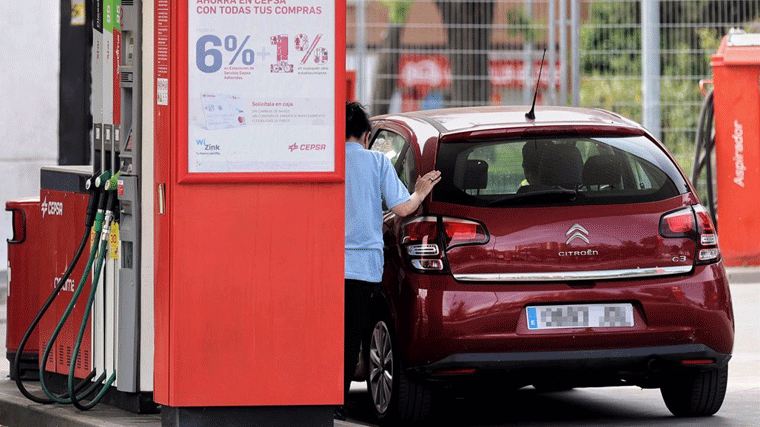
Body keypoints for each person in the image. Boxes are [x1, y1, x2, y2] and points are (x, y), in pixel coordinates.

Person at [338, 102, 440, 420]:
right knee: (352, 335)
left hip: (329, 265)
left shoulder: (328, 162)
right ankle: (338, 401)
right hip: (362, 268)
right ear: (366, 136)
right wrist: (421, 191)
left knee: (332, 333)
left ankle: (326, 396)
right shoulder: (376, 162)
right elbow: (404, 209)